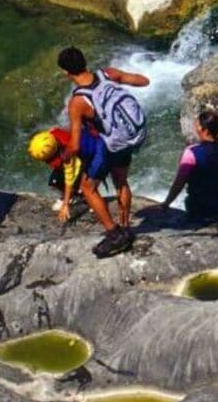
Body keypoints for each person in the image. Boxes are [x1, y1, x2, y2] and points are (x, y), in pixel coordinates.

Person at [58, 47, 150, 257]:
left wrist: (66, 156)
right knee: (121, 181)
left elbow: (75, 145)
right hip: (127, 137)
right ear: (84, 62)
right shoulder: (108, 74)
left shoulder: (78, 101)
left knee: (88, 188)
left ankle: (114, 235)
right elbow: (144, 81)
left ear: (66, 72)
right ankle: (125, 227)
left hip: (109, 144)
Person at [152, 110, 218, 226]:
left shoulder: (191, 153)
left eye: (197, 125)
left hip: (200, 211)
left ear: (205, 130)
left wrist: (166, 203)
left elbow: (179, 183)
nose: (195, 127)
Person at [27, 128, 95, 223]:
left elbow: (69, 179)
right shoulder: (50, 136)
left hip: (80, 163)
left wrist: (65, 204)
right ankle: (72, 195)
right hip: (70, 163)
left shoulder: (66, 155)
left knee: (80, 186)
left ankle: (84, 198)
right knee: (53, 182)